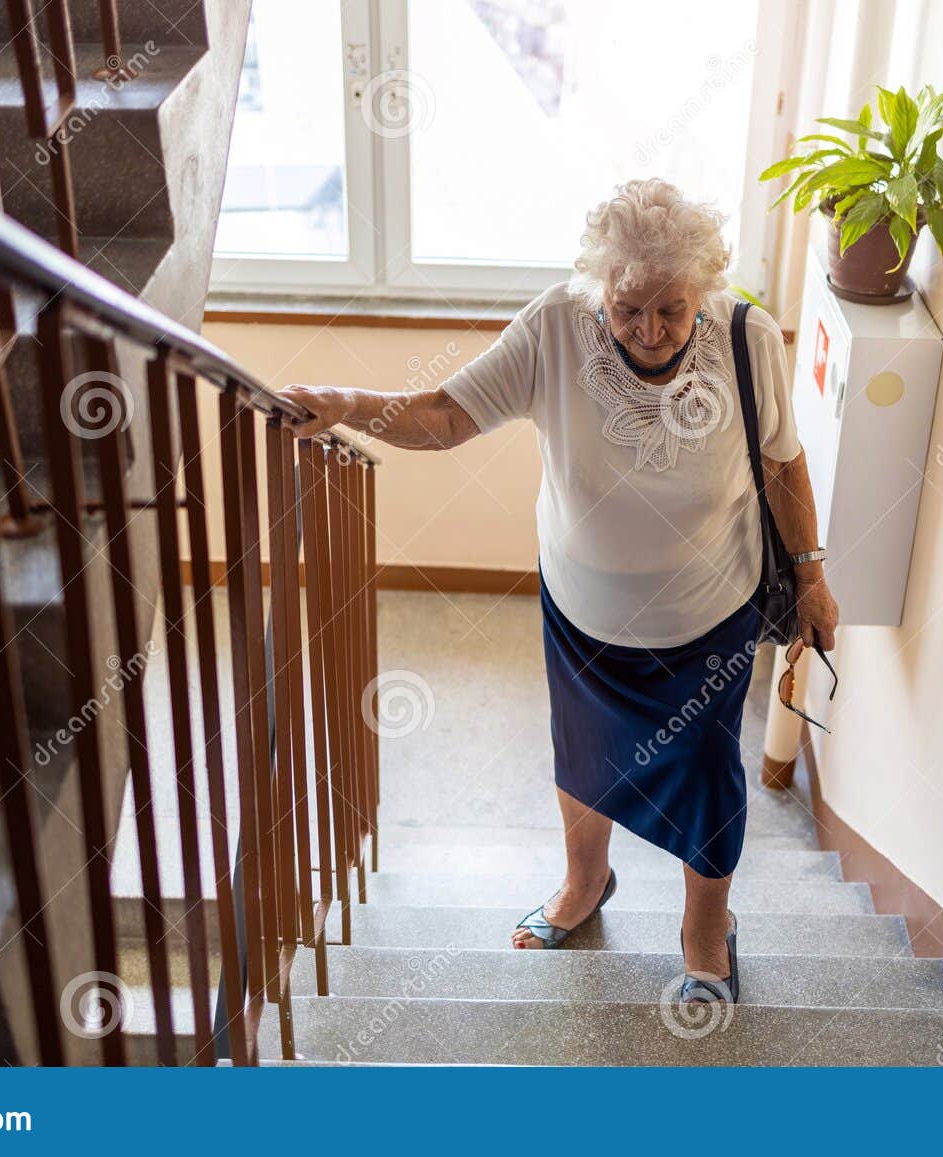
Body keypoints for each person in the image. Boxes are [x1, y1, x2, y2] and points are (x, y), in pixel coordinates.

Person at [281, 178, 839, 1003]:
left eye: (671, 309)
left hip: (708, 616)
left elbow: (784, 461)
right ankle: (585, 886)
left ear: (704, 292)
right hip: (586, 613)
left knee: (707, 771)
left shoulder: (748, 338)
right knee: (583, 754)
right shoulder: (554, 325)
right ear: (599, 290)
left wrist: (815, 576)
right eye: (628, 308)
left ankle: (704, 931)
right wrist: (343, 405)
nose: (649, 331)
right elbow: (445, 415)